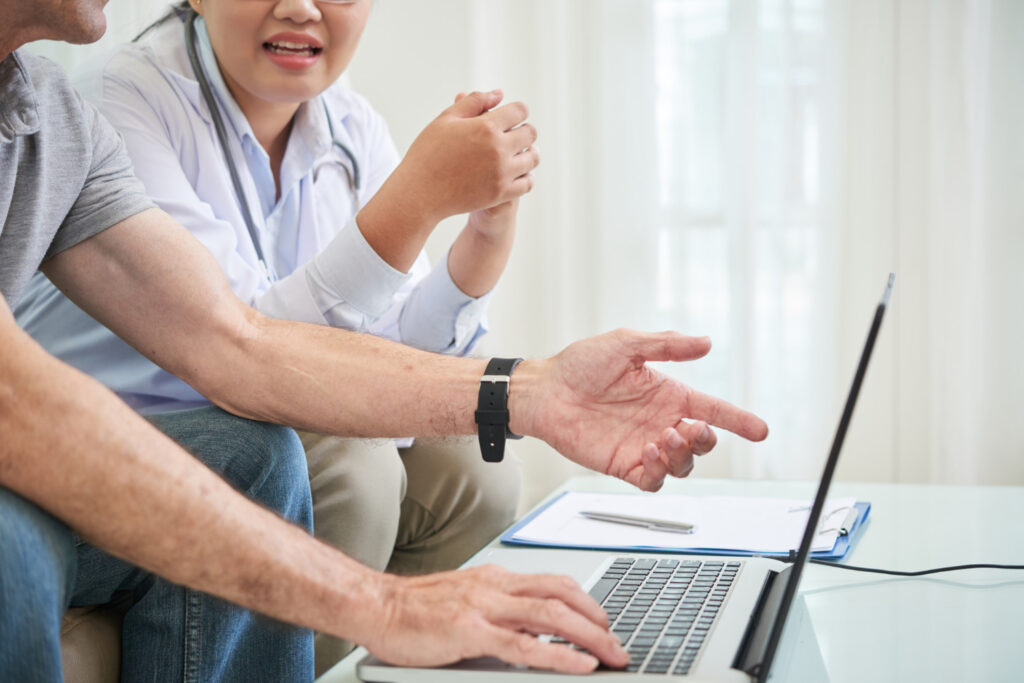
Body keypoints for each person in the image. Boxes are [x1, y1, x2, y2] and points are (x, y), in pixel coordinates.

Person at [0, 1, 768, 682]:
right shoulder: (126, 95)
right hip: (127, 416)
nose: (301, 7)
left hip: (236, 401)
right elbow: (30, 402)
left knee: (311, 459)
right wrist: (386, 607)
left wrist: (530, 388)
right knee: (21, 541)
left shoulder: (51, 117)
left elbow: (239, 343)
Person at [15, 0, 532, 670]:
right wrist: (416, 201)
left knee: (477, 468)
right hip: (164, 417)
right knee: (353, 467)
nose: (300, 7)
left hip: (250, 388)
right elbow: (237, 343)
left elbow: (393, 353)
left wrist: (485, 237)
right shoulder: (122, 101)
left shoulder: (349, 123)